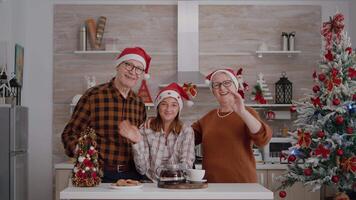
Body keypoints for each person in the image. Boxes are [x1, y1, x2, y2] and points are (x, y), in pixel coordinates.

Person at [62, 47, 151, 182]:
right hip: (100, 175)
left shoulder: (139, 104)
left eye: (139, 68)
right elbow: (69, 133)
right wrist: (84, 156)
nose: (133, 72)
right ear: (118, 66)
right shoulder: (93, 96)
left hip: (132, 176)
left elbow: (142, 146)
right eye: (128, 65)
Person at [191, 68, 272, 183]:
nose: (222, 88)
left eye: (227, 83)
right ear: (213, 91)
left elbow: (263, 139)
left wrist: (242, 112)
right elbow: (185, 136)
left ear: (236, 86)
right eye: (216, 85)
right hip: (212, 186)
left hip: (242, 184)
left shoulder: (248, 113)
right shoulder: (208, 117)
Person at [118, 83, 196, 181]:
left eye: (174, 105)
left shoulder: (186, 131)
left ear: (179, 109)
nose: (168, 109)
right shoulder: (146, 129)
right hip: (150, 185)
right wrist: (136, 142)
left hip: (177, 184)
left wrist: (167, 174)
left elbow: (186, 166)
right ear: (158, 107)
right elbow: (142, 169)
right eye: (164, 104)